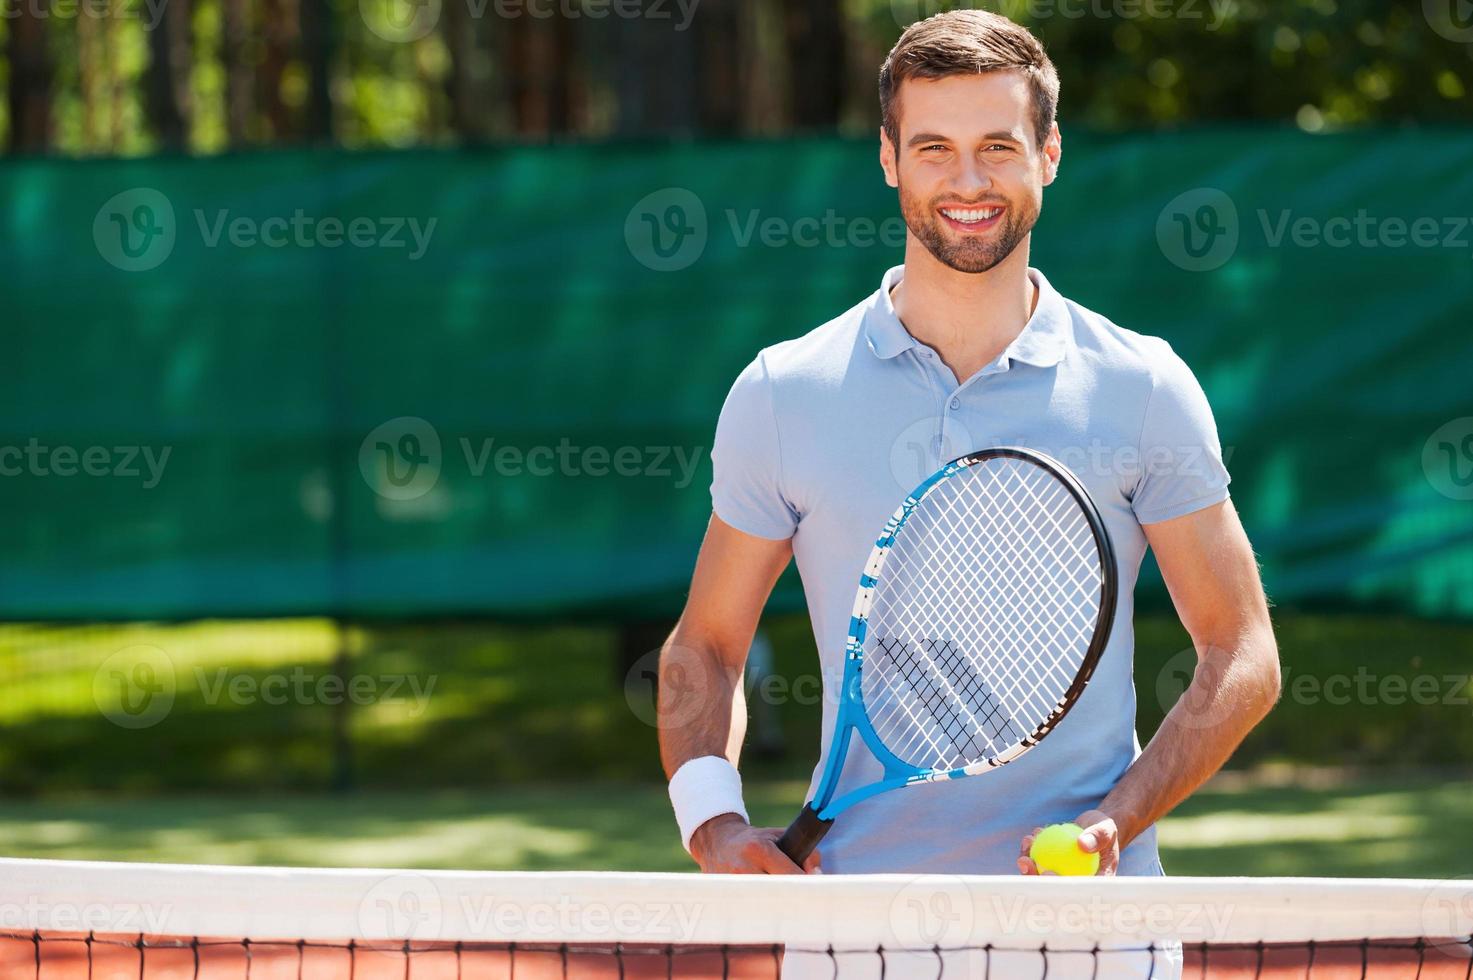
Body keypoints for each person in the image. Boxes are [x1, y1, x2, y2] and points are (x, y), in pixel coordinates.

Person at [659, 6, 1279, 891]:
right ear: (887, 158)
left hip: (1087, 926)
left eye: (997, 145)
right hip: (853, 926)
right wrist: (712, 823)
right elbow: (707, 649)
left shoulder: (1141, 385)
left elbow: (1241, 652)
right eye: (933, 147)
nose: (967, 179)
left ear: (1048, 154)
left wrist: (1114, 822)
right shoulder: (781, 393)